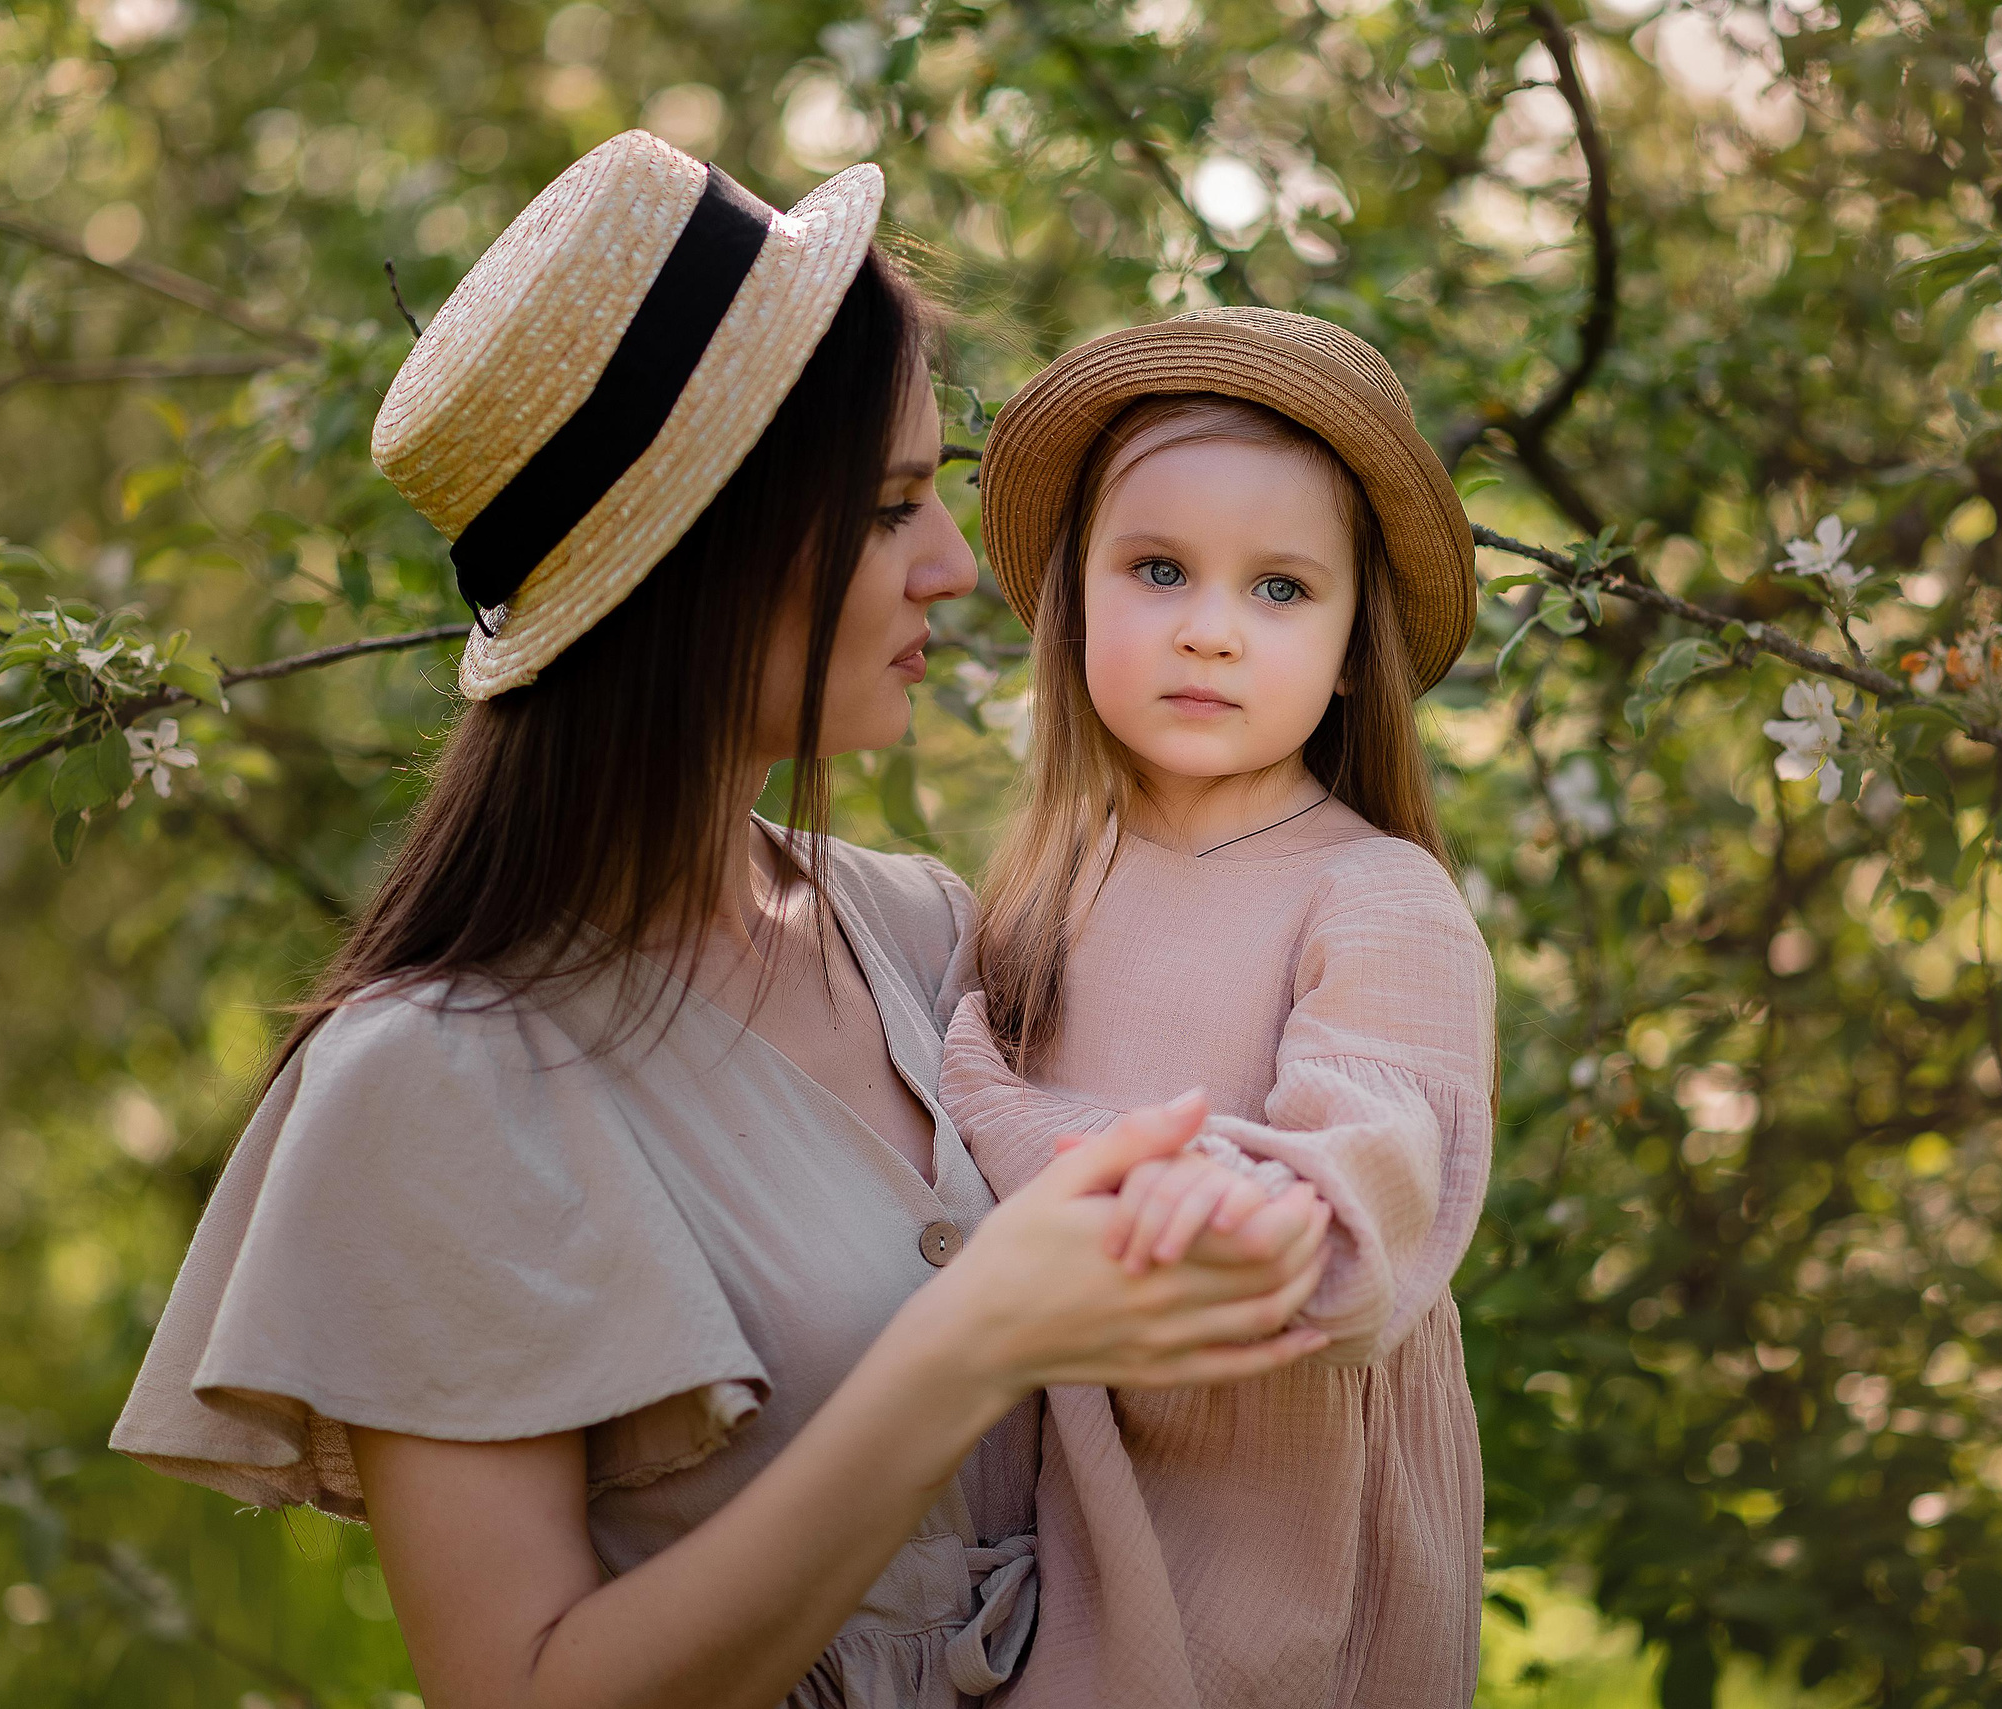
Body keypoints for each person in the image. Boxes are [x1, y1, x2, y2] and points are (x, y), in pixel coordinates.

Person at [109, 134, 1337, 1709]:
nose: (956, 569)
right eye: (890, 507)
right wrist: (973, 1339)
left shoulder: (918, 932)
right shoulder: (430, 1082)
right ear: (703, 554)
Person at [937, 309, 1498, 1708]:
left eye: (1281, 589)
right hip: (1063, 1520)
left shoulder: (1376, 896)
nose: (1208, 630)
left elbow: (1376, 1168)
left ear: (1355, 645)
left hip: (1277, 1545)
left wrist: (1250, 1205)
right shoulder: (1042, 888)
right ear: (1075, 599)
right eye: (1159, 569)